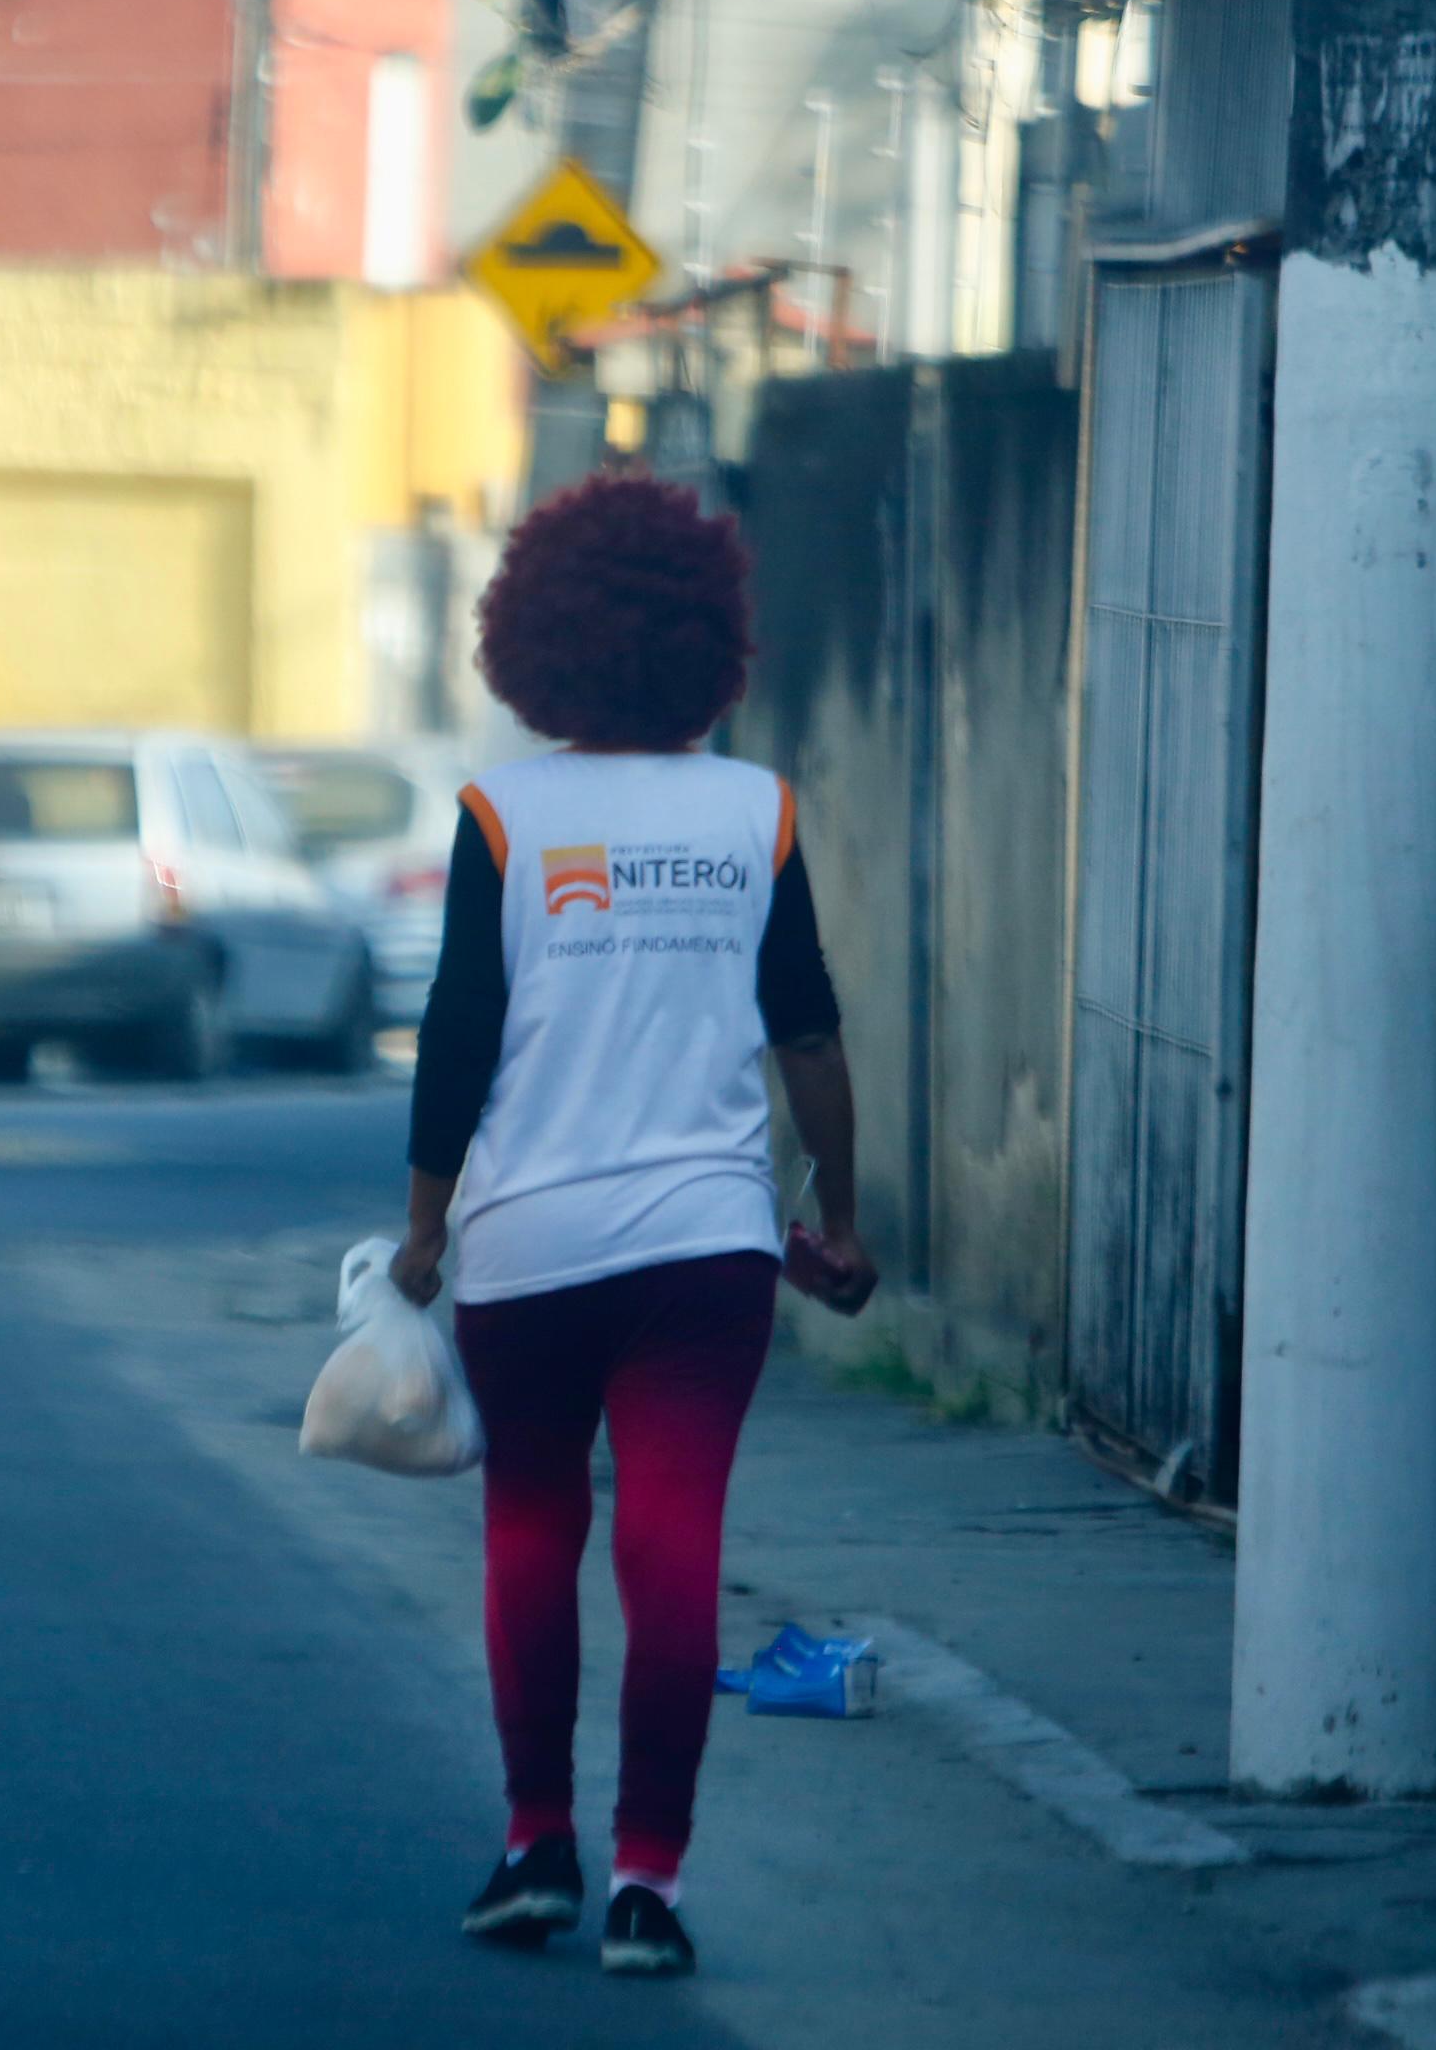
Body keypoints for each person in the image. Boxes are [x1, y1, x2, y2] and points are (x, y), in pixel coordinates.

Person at [392, 473, 874, 1982]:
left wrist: (422, 1233)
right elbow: (808, 1036)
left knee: (532, 1530)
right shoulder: (756, 811)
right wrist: (835, 1217)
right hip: (705, 1252)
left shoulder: (502, 812)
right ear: (706, 640)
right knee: (676, 1549)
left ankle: (538, 1846)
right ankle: (649, 1886)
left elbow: (457, 1034)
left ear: (538, 635)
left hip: (528, 1246)